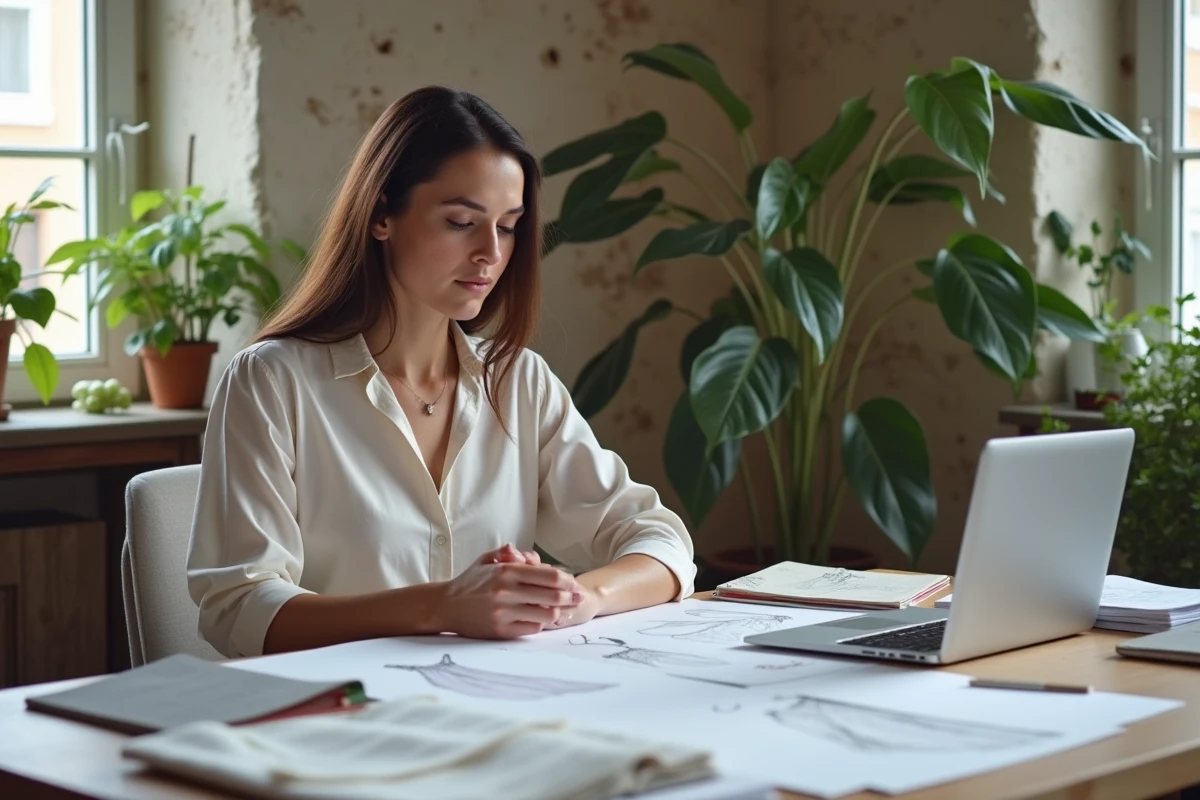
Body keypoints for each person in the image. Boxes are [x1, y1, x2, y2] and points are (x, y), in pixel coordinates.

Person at [186, 86, 697, 659]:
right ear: (382, 215)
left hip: (495, 703)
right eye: (461, 222)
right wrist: (444, 606)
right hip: (339, 717)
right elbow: (238, 609)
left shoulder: (518, 383)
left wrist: (579, 596)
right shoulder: (272, 382)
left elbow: (662, 543)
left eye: (508, 226)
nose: (490, 253)